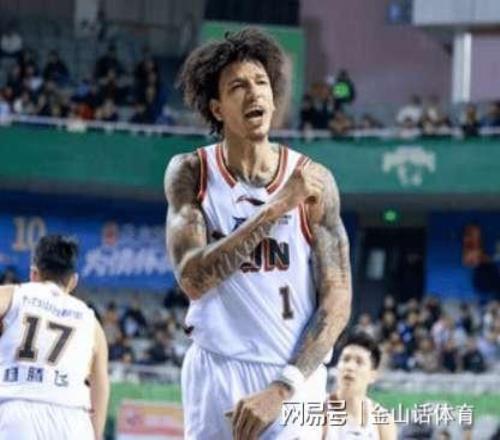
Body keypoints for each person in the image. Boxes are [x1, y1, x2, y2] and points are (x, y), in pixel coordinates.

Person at [165, 28, 352, 440]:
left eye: (262, 82)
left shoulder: (314, 180)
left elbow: (337, 300)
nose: (255, 94)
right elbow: (192, 279)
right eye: (238, 87)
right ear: (217, 108)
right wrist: (274, 209)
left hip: (291, 374)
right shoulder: (192, 173)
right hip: (215, 367)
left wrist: (284, 387)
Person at [0, 235, 109, 440]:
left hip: (18, 411)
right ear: (73, 281)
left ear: (33, 273)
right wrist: (95, 434)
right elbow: (100, 385)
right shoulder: (91, 322)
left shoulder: (13, 294)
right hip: (73, 419)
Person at [324, 332, 397, 439]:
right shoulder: (320, 413)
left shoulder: (383, 421)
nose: (350, 367)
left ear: (372, 375)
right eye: (345, 359)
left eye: (359, 362)